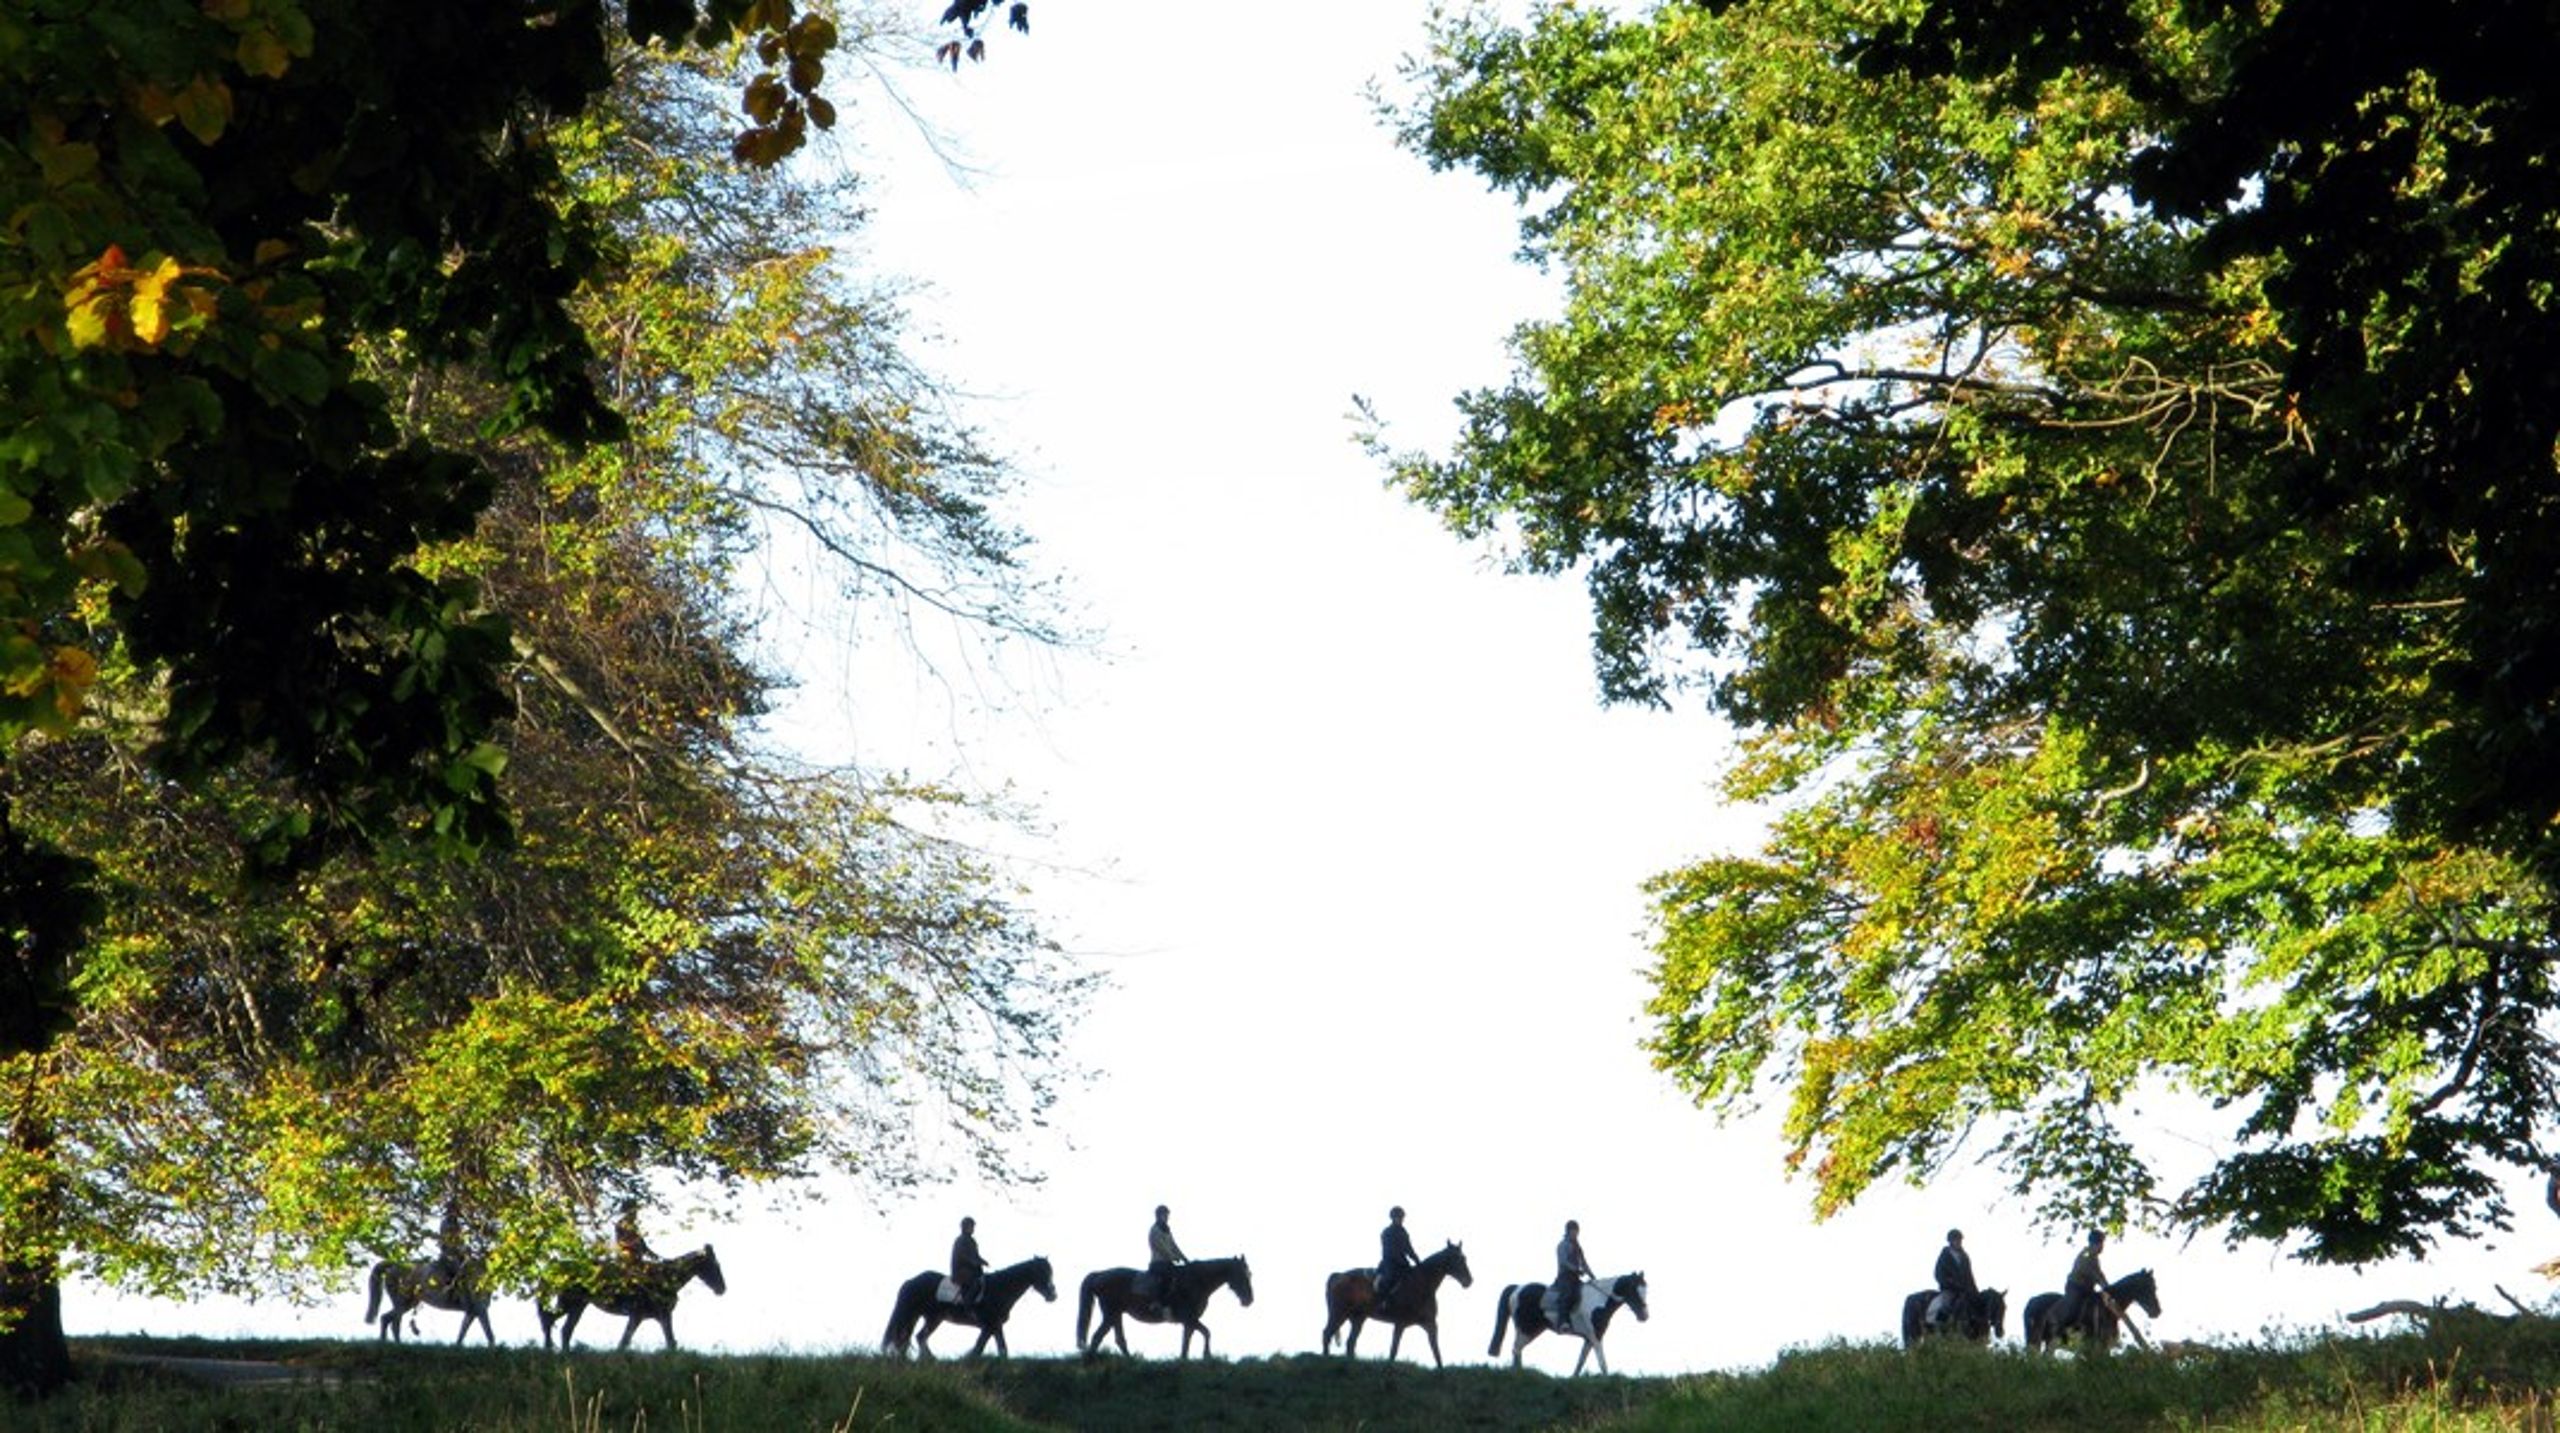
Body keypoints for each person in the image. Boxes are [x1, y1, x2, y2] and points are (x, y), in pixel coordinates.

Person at [2053, 1229, 2107, 1337]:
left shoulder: (2095, 1258)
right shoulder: (2085, 1255)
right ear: (2095, 1243)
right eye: (2101, 1243)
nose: (2102, 1247)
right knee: (2075, 1305)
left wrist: (2107, 1286)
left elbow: (2099, 1273)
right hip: (2076, 1286)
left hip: (2088, 1288)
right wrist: (2100, 1281)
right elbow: (2087, 1270)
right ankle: (2062, 1328)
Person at [1926, 1227, 1976, 1328]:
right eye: (1955, 1240)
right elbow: (1938, 1273)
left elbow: (1970, 1275)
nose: (1958, 1242)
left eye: (1959, 1240)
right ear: (1950, 1241)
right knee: (1945, 1304)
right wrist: (1949, 1283)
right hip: (1949, 1289)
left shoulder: (1965, 1257)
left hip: (1964, 1290)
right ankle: (1939, 1327)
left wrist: (1974, 1291)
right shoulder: (1944, 1255)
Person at [1142, 1204, 1187, 1311]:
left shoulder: (1167, 1230)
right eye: (1164, 1215)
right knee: (1167, 1278)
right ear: (1158, 1216)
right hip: (1158, 1263)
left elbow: (1174, 1246)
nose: (1166, 1217)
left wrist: (1185, 1259)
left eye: (1167, 1215)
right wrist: (1173, 1257)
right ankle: (1156, 1302)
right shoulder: (1154, 1230)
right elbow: (1161, 1247)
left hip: (1168, 1262)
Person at [1551, 1219, 1592, 1328]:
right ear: (1568, 1231)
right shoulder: (1562, 1245)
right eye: (1573, 1231)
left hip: (1575, 1277)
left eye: (1577, 1231)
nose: (1576, 1233)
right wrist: (1576, 1269)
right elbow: (1564, 1262)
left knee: (1585, 1293)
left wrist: (1592, 1275)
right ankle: (1562, 1321)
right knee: (1568, 1294)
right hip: (1565, 1277)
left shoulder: (1578, 1247)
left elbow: (1584, 1263)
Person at [1375, 1205, 1418, 1305]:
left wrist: (1417, 1260)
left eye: (1402, 1217)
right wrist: (1399, 1260)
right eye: (1398, 1217)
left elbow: (1409, 1248)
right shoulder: (1387, 1232)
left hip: (1402, 1262)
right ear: (1393, 1218)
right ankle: (1383, 1301)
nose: (1401, 1220)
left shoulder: (1403, 1232)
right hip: (1389, 1262)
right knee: (1389, 1278)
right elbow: (1388, 1250)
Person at [950, 1216, 986, 1307]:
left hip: (972, 1270)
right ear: (965, 1227)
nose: (973, 1229)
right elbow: (961, 1256)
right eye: (971, 1227)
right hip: (961, 1271)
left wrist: (982, 1261)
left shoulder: (972, 1241)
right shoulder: (960, 1240)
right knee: (975, 1284)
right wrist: (974, 1262)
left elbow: (975, 1255)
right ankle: (967, 1304)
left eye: (973, 1227)